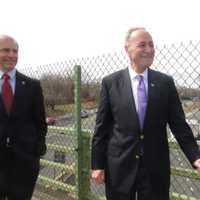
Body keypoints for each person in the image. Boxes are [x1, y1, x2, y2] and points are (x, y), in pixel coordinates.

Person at [91, 27, 200, 200]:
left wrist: (195, 156)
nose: (149, 50)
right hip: (120, 167)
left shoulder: (165, 83)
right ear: (127, 49)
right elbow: (101, 129)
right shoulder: (110, 83)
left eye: (151, 45)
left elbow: (179, 125)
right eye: (142, 45)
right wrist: (97, 165)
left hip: (155, 169)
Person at [0, 35, 47, 199]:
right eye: (6, 50)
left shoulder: (32, 86)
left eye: (15, 51)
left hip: (24, 164)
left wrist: (36, 151)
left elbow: (40, 123)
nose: (11, 55)